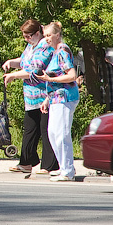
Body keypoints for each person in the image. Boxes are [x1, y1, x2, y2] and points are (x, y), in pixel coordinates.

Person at [2, 19, 58, 175]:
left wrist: (13, 76)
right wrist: (11, 62)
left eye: (28, 36)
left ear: (37, 33)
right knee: (30, 129)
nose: (26, 39)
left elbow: (35, 69)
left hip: (44, 95)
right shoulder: (31, 46)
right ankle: (26, 162)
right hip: (31, 97)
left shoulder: (45, 47)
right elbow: (24, 62)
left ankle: (50, 165)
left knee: (46, 130)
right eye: (24, 36)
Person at [38, 21, 80, 182]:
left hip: (66, 97)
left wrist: (48, 78)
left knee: (62, 134)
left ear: (57, 35)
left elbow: (71, 75)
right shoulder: (55, 52)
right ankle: (63, 167)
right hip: (55, 98)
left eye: (49, 35)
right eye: (45, 36)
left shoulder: (63, 50)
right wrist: (47, 99)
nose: (47, 39)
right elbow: (55, 79)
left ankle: (68, 171)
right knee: (52, 133)